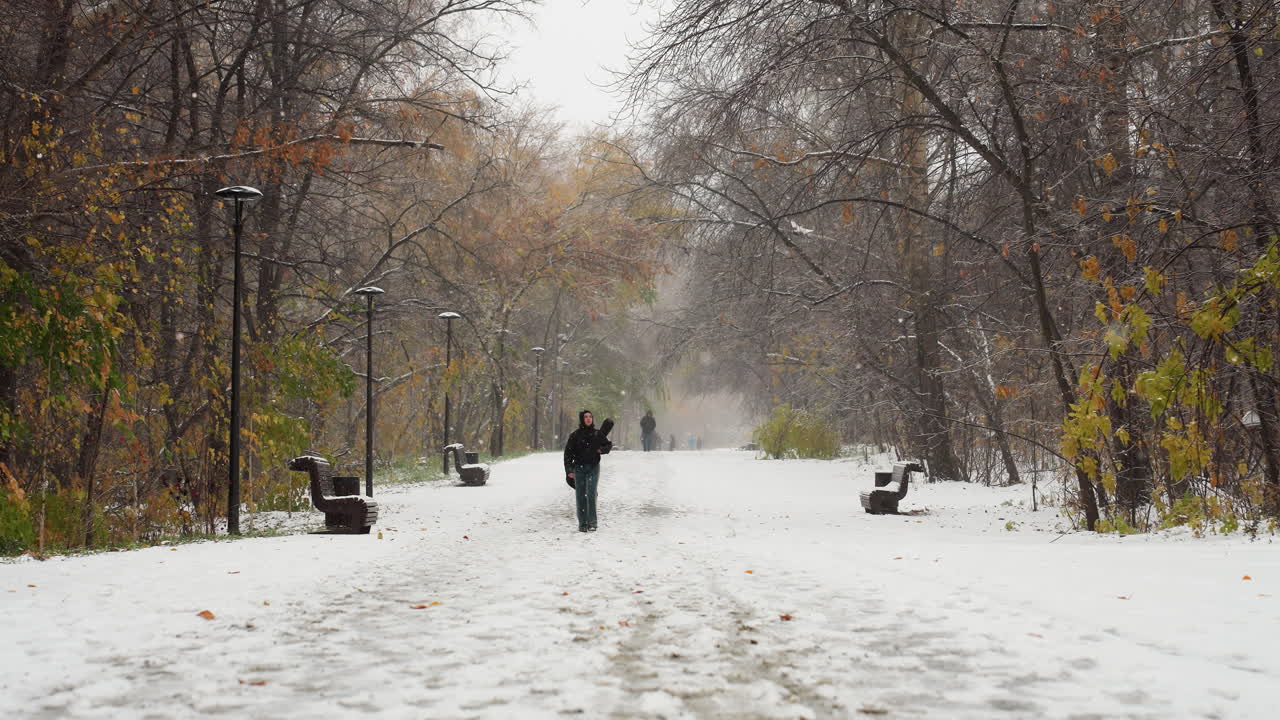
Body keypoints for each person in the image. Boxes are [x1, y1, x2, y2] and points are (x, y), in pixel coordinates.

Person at [564, 410, 612, 532]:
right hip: (578, 469)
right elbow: (568, 454)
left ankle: (592, 523)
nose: (588, 419)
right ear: (582, 419)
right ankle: (583, 524)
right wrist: (569, 470)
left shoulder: (597, 434)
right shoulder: (575, 436)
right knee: (580, 496)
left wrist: (602, 450)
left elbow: (608, 445)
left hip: (593, 467)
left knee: (590, 494)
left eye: (590, 416)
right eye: (586, 417)